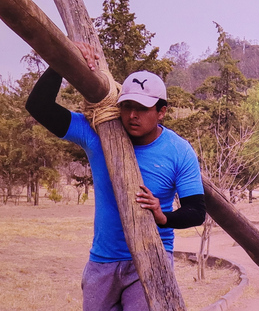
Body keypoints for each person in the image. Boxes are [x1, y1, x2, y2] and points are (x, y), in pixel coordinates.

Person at [25, 43, 206, 310]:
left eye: (142, 108)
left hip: (151, 257)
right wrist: (63, 58)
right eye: (127, 106)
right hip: (103, 261)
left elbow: (196, 210)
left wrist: (163, 216)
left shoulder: (179, 150)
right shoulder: (99, 132)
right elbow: (38, 106)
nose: (132, 115)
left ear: (162, 111)